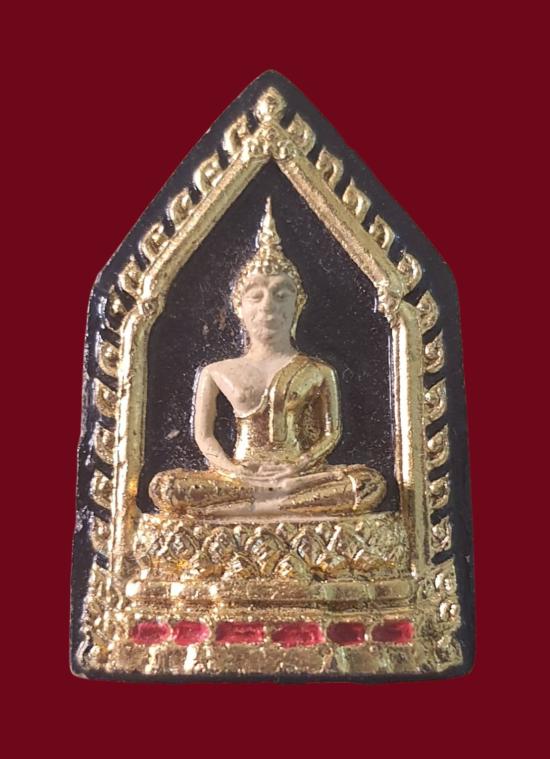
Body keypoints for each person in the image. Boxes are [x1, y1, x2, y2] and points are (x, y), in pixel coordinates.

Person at [149, 198, 385, 518]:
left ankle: (247, 509)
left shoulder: (318, 371)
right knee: (166, 487)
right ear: (239, 307)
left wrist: (296, 468)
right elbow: (204, 437)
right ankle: (271, 505)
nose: (268, 306)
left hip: (298, 478)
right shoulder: (217, 372)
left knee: (367, 484)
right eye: (256, 296)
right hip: (240, 476)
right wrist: (232, 471)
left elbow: (331, 434)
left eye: (281, 295)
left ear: (298, 304)